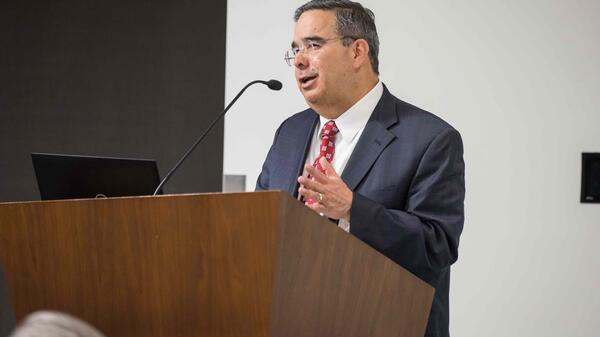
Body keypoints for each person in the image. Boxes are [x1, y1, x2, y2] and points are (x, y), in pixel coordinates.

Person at [256, 1, 465, 336]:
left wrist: (352, 209)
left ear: (357, 52)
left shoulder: (431, 139)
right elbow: (261, 229)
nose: (298, 60)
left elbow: (437, 246)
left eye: (313, 45)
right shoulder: (290, 133)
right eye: (295, 49)